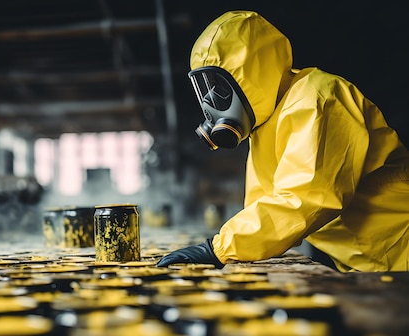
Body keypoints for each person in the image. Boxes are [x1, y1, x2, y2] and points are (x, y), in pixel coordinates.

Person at [157, 10, 409, 272]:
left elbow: (304, 198)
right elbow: (262, 208)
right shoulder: (266, 123)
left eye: (218, 85)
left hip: (401, 248)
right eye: (205, 88)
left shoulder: (317, 98)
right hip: (368, 262)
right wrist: (230, 245)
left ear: (253, 69)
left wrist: (219, 248)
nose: (210, 101)